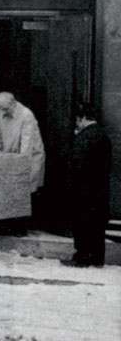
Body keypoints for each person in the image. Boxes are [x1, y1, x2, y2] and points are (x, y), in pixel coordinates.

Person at [62, 102, 113, 268]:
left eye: (78, 120)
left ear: (82, 118)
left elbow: (77, 164)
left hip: (83, 189)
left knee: (83, 223)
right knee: (97, 225)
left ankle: (82, 257)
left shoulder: (84, 137)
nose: (76, 123)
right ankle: (97, 258)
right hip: (100, 189)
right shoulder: (103, 136)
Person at [0, 91, 45, 235]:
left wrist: (20, 165)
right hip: (9, 156)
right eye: (1, 108)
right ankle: (6, 223)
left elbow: (26, 145)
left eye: (6, 108)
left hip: (28, 157)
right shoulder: (1, 111)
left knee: (23, 189)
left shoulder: (26, 115)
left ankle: (20, 227)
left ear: (14, 104)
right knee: (7, 189)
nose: (3, 111)